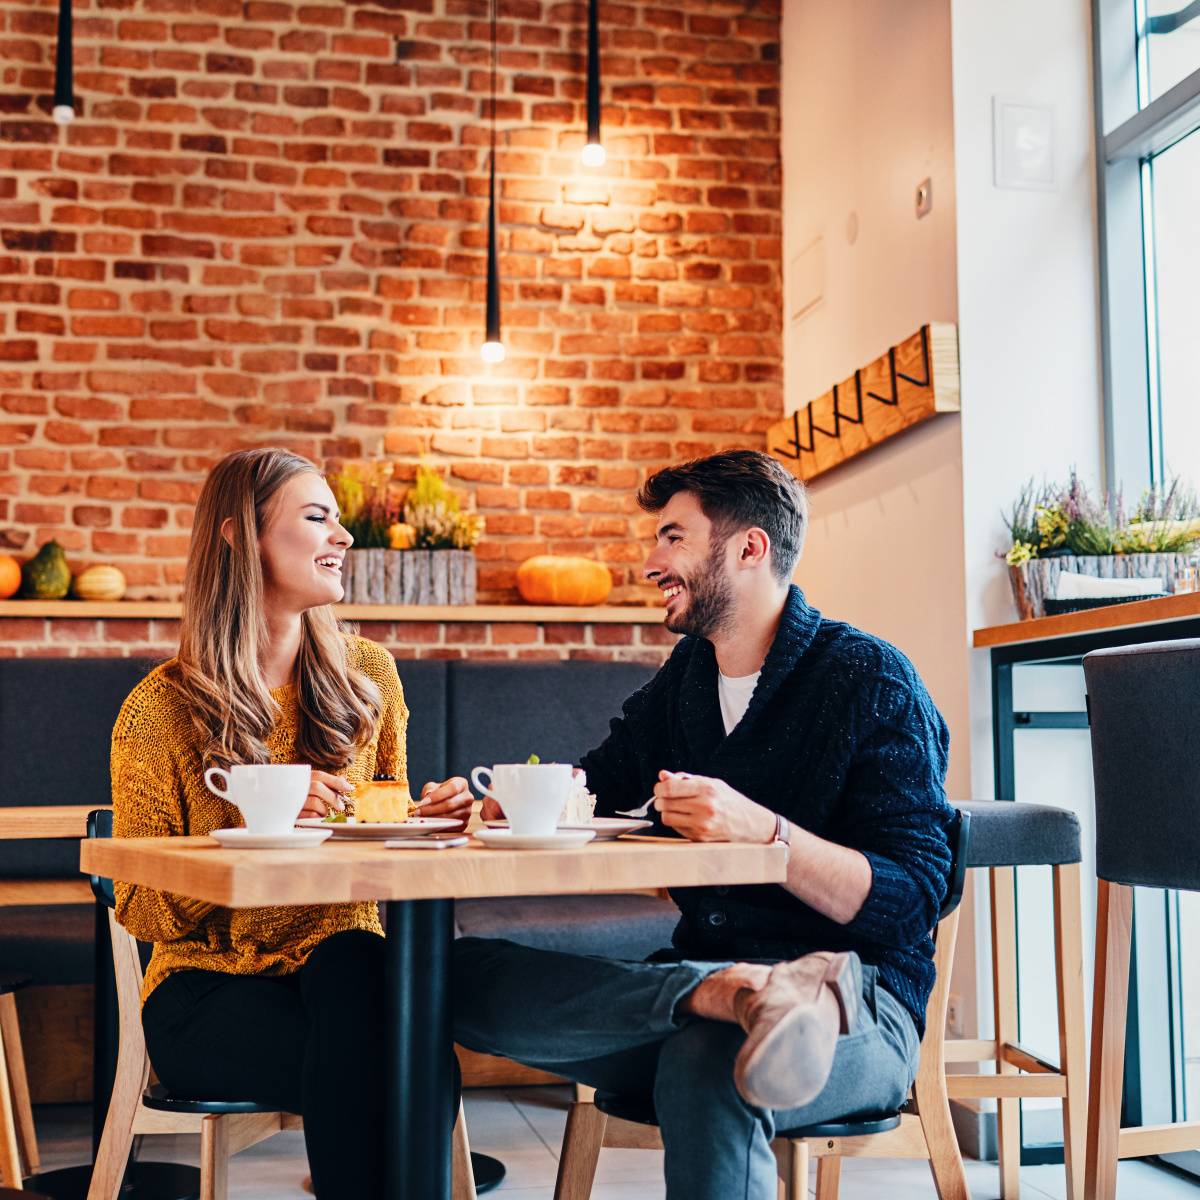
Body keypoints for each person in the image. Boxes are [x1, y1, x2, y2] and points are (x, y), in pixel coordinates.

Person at [455, 449, 955, 1200]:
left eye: (673, 538)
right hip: (690, 980)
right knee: (449, 982)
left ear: (750, 548)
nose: (651, 561)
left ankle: (751, 1002)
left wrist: (767, 835)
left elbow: (913, 898)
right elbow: (596, 781)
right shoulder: (684, 679)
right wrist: (491, 802)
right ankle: (726, 991)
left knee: (711, 1063)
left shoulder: (870, 680)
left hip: (858, 1006)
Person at [109, 447, 473, 1199]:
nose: (341, 536)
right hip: (207, 990)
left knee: (362, 976)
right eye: (317, 518)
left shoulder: (368, 677)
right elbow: (142, 908)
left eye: (339, 519)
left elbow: (385, 835)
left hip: (345, 967)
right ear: (240, 535)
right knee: (400, 1049)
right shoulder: (160, 708)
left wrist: (430, 819)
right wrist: (249, 824)